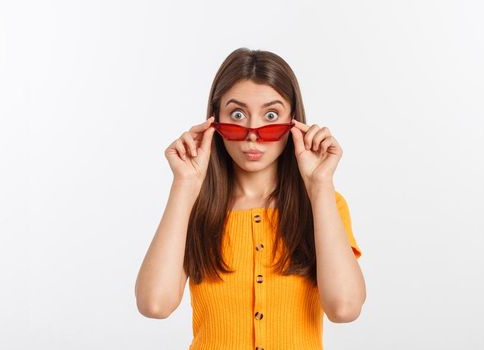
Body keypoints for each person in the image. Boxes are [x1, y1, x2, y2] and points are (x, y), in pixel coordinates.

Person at [135, 47, 365, 350]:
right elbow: (154, 304)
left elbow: (344, 308)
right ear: (215, 120)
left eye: (271, 115)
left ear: (293, 122)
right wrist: (184, 185)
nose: (252, 134)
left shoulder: (325, 204)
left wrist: (319, 185)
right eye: (237, 115)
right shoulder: (194, 206)